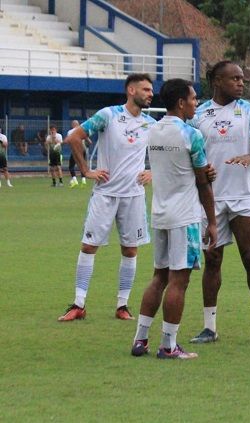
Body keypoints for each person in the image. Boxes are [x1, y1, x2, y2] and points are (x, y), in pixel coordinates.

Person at [57, 73, 156, 322]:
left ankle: (123, 305)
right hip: (105, 193)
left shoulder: (150, 124)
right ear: (131, 91)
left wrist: (153, 170)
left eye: (151, 90)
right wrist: (86, 171)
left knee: (130, 250)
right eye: (145, 89)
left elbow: (165, 151)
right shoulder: (108, 115)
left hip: (134, 195)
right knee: (89, 246)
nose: (150, 94)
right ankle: (79, 304)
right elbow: (73, 137)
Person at [187, 61, 250, 346]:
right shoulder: (198, 115)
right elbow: (189, 155)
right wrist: (202, 172)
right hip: (210, 199)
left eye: (242, 79)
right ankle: (209, 327)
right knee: (212, 260)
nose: (241, 83)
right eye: (234, 78)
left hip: (243, 196)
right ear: (217, 82)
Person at [130, 78, 217, 359]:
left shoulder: (153, 131)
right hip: (185, 216)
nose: (196, 103)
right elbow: (203, 181)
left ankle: (140, 339)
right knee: (179, 281)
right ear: (181, 103)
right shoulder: (191, 134)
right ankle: (168, 345)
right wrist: (213, 221)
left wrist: (200, 173)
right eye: (193, 99)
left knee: (159, 277)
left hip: (160, 213)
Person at [67, 120, 92, 188]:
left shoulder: (70, 132)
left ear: (73, 125)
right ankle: (83, 180)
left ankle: (75, 180)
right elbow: (90, 142)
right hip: (82, 150)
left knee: (71, 165)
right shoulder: (82, 130)